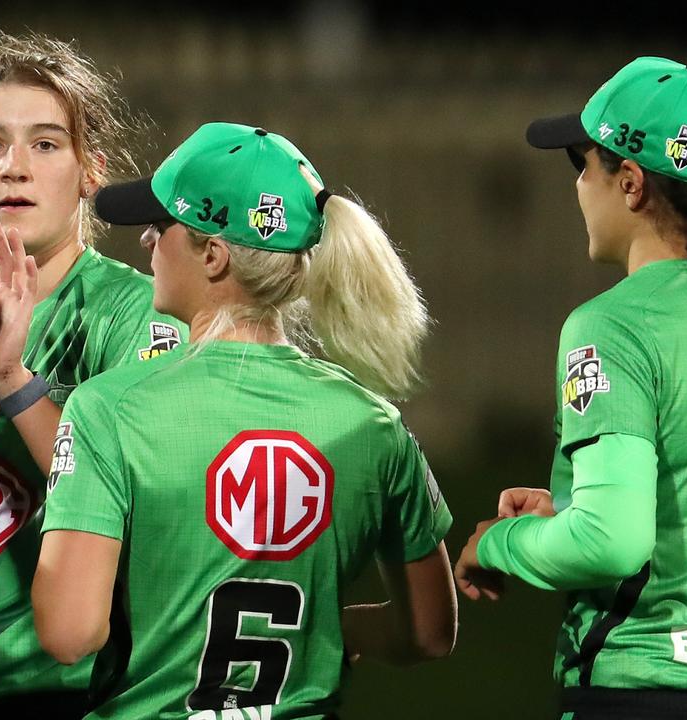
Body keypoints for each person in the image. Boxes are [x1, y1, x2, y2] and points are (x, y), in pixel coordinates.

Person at [32, 122, 457, 719]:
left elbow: (69, 633)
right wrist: (328, 632)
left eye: (161, 227)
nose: (146, 243)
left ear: (213, 254)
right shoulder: (375, 425)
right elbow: (430, 632)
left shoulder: (111, 408)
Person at [454, 57, 687, 719]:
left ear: (630, 183)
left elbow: (612, 540)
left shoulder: (616, 325)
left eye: (583, 164)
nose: (578, 186)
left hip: (647, 695)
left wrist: (498, 545)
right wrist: (567, 507)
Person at [0, 31, 188, 719]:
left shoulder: (144, 318)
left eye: (46, 144)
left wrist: (14, 383)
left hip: (92, 697)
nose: (14, 168)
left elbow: (150, 514)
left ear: (91, 172)